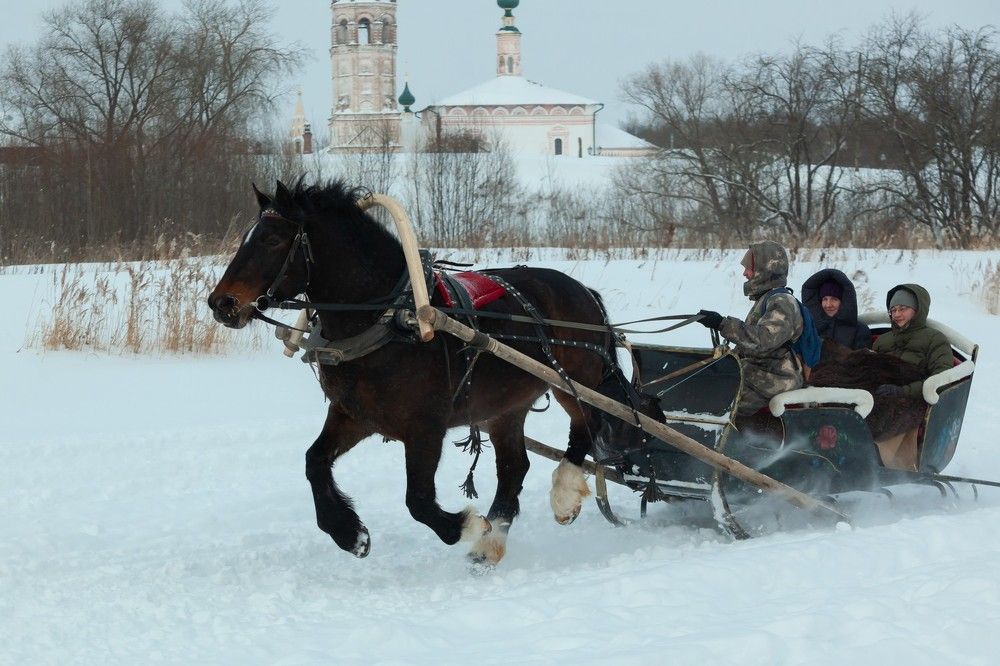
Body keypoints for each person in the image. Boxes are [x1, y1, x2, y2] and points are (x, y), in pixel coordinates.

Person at [698, 240, 804, 415]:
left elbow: (764, 339)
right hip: (757, 374)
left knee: (719, 399)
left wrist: (722, 324)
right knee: (707, 384)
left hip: (775, 379)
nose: (745, 273)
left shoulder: (782, 301)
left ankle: (726, 439)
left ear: (766, 269)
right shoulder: (767, 298)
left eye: (750, 268)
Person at [871, 284, 953, 398]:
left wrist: (903, 392)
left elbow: (942, 378)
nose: (897, 314)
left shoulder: (935, 339)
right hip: (876, 397)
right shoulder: (882, 340)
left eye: (903, 308)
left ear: (917, 310)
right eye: (893, 310)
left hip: (914, 402)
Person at [801, 269, 871, 350]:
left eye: (834, 299)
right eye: (824, 299)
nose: (828, 305)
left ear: (843, 302)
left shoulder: (860, 331)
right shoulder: (807, 330)